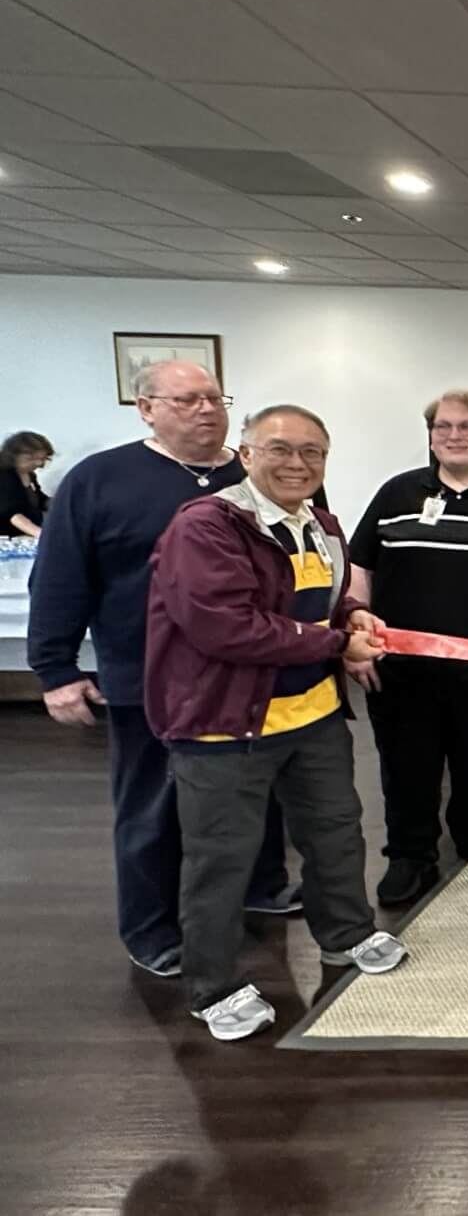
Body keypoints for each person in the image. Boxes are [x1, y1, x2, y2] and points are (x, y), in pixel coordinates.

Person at [146, 404, 408, 1041]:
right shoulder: (206, 526)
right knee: (221, 859)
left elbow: (329, 593)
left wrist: (353, 617)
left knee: (335, 833)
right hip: (223, 726)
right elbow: (224, 625)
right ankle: (214, 986)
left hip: (312, 716)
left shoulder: (320, 522)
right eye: (282, 450)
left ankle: (346, 934)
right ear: (246, 453)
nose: (299, 464)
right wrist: (333, 645)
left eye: (313, 452)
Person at [27, 360, 295, 979]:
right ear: (145, 408)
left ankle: (263, 884)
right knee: (153, 806)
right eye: (185, 400)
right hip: (148, 677)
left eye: (213, 398)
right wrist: (55, 669)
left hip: (253, 674)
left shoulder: (257, 472)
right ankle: (151, 929)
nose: (205, 410)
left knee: (256, 793)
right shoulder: (99, 480)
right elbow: (60, 578)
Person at [349, 390, 468, 906]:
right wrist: (356, 628)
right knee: (407, 762)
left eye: (466, 426)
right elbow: (360, 564)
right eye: (442, 427)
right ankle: (410, 854)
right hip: (402, 664)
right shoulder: (395, 494)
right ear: (431, 436)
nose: (453, 436)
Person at [0, 431, 53, 537]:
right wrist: (42, 535)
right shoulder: (4, 476)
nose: (38, 463)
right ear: (14, 456)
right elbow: (12, 514)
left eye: (42, 459)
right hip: (7, 537)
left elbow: (40, 500)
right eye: (31, 459)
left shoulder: (29, 475)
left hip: (26, 532)